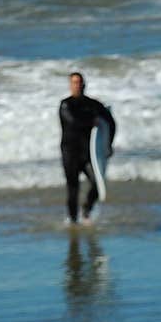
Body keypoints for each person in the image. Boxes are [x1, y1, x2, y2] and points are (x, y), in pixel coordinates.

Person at [58, 71, 117, 225]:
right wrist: (92, 121)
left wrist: (108, 144)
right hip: (70, 153)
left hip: (87, 153)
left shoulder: (93, 104)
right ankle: (72, 220)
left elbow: (110, 122)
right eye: (74, 82)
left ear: (84, 84)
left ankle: (86, 210)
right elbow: (73, 121)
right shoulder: (65, 104)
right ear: (70, 85)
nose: (78, 85)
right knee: (73, 188)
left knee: (97, 182)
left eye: (80, 82)